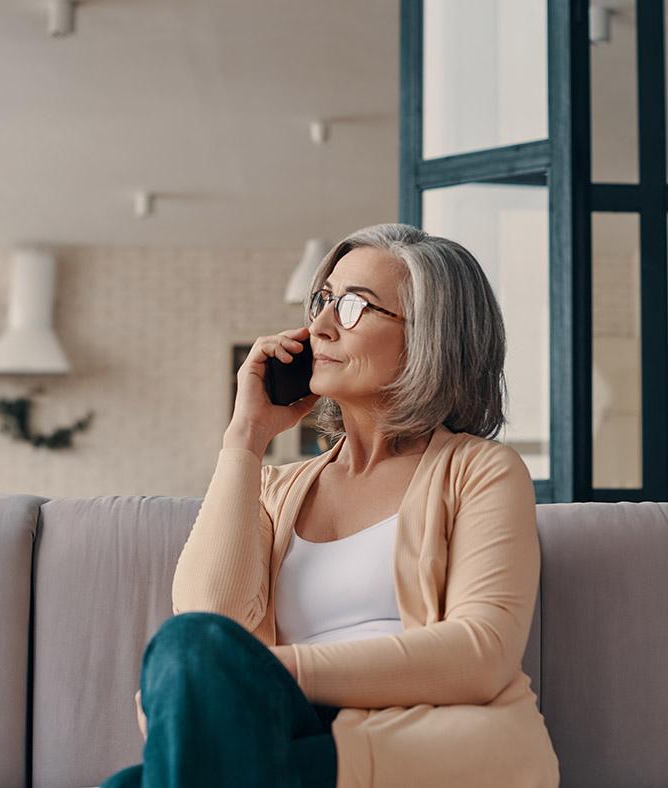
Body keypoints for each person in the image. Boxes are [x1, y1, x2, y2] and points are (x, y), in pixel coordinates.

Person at [101, 223, 560, 787]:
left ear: (431, 337)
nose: (317, 326)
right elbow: (210, 625)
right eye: (323, 300)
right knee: (186, 650)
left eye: (351, 307)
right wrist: (244, 438)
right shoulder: (277, 489)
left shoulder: (481, 471)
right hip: (287, 733)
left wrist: (266, 672)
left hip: (423, 748)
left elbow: (480, 654)